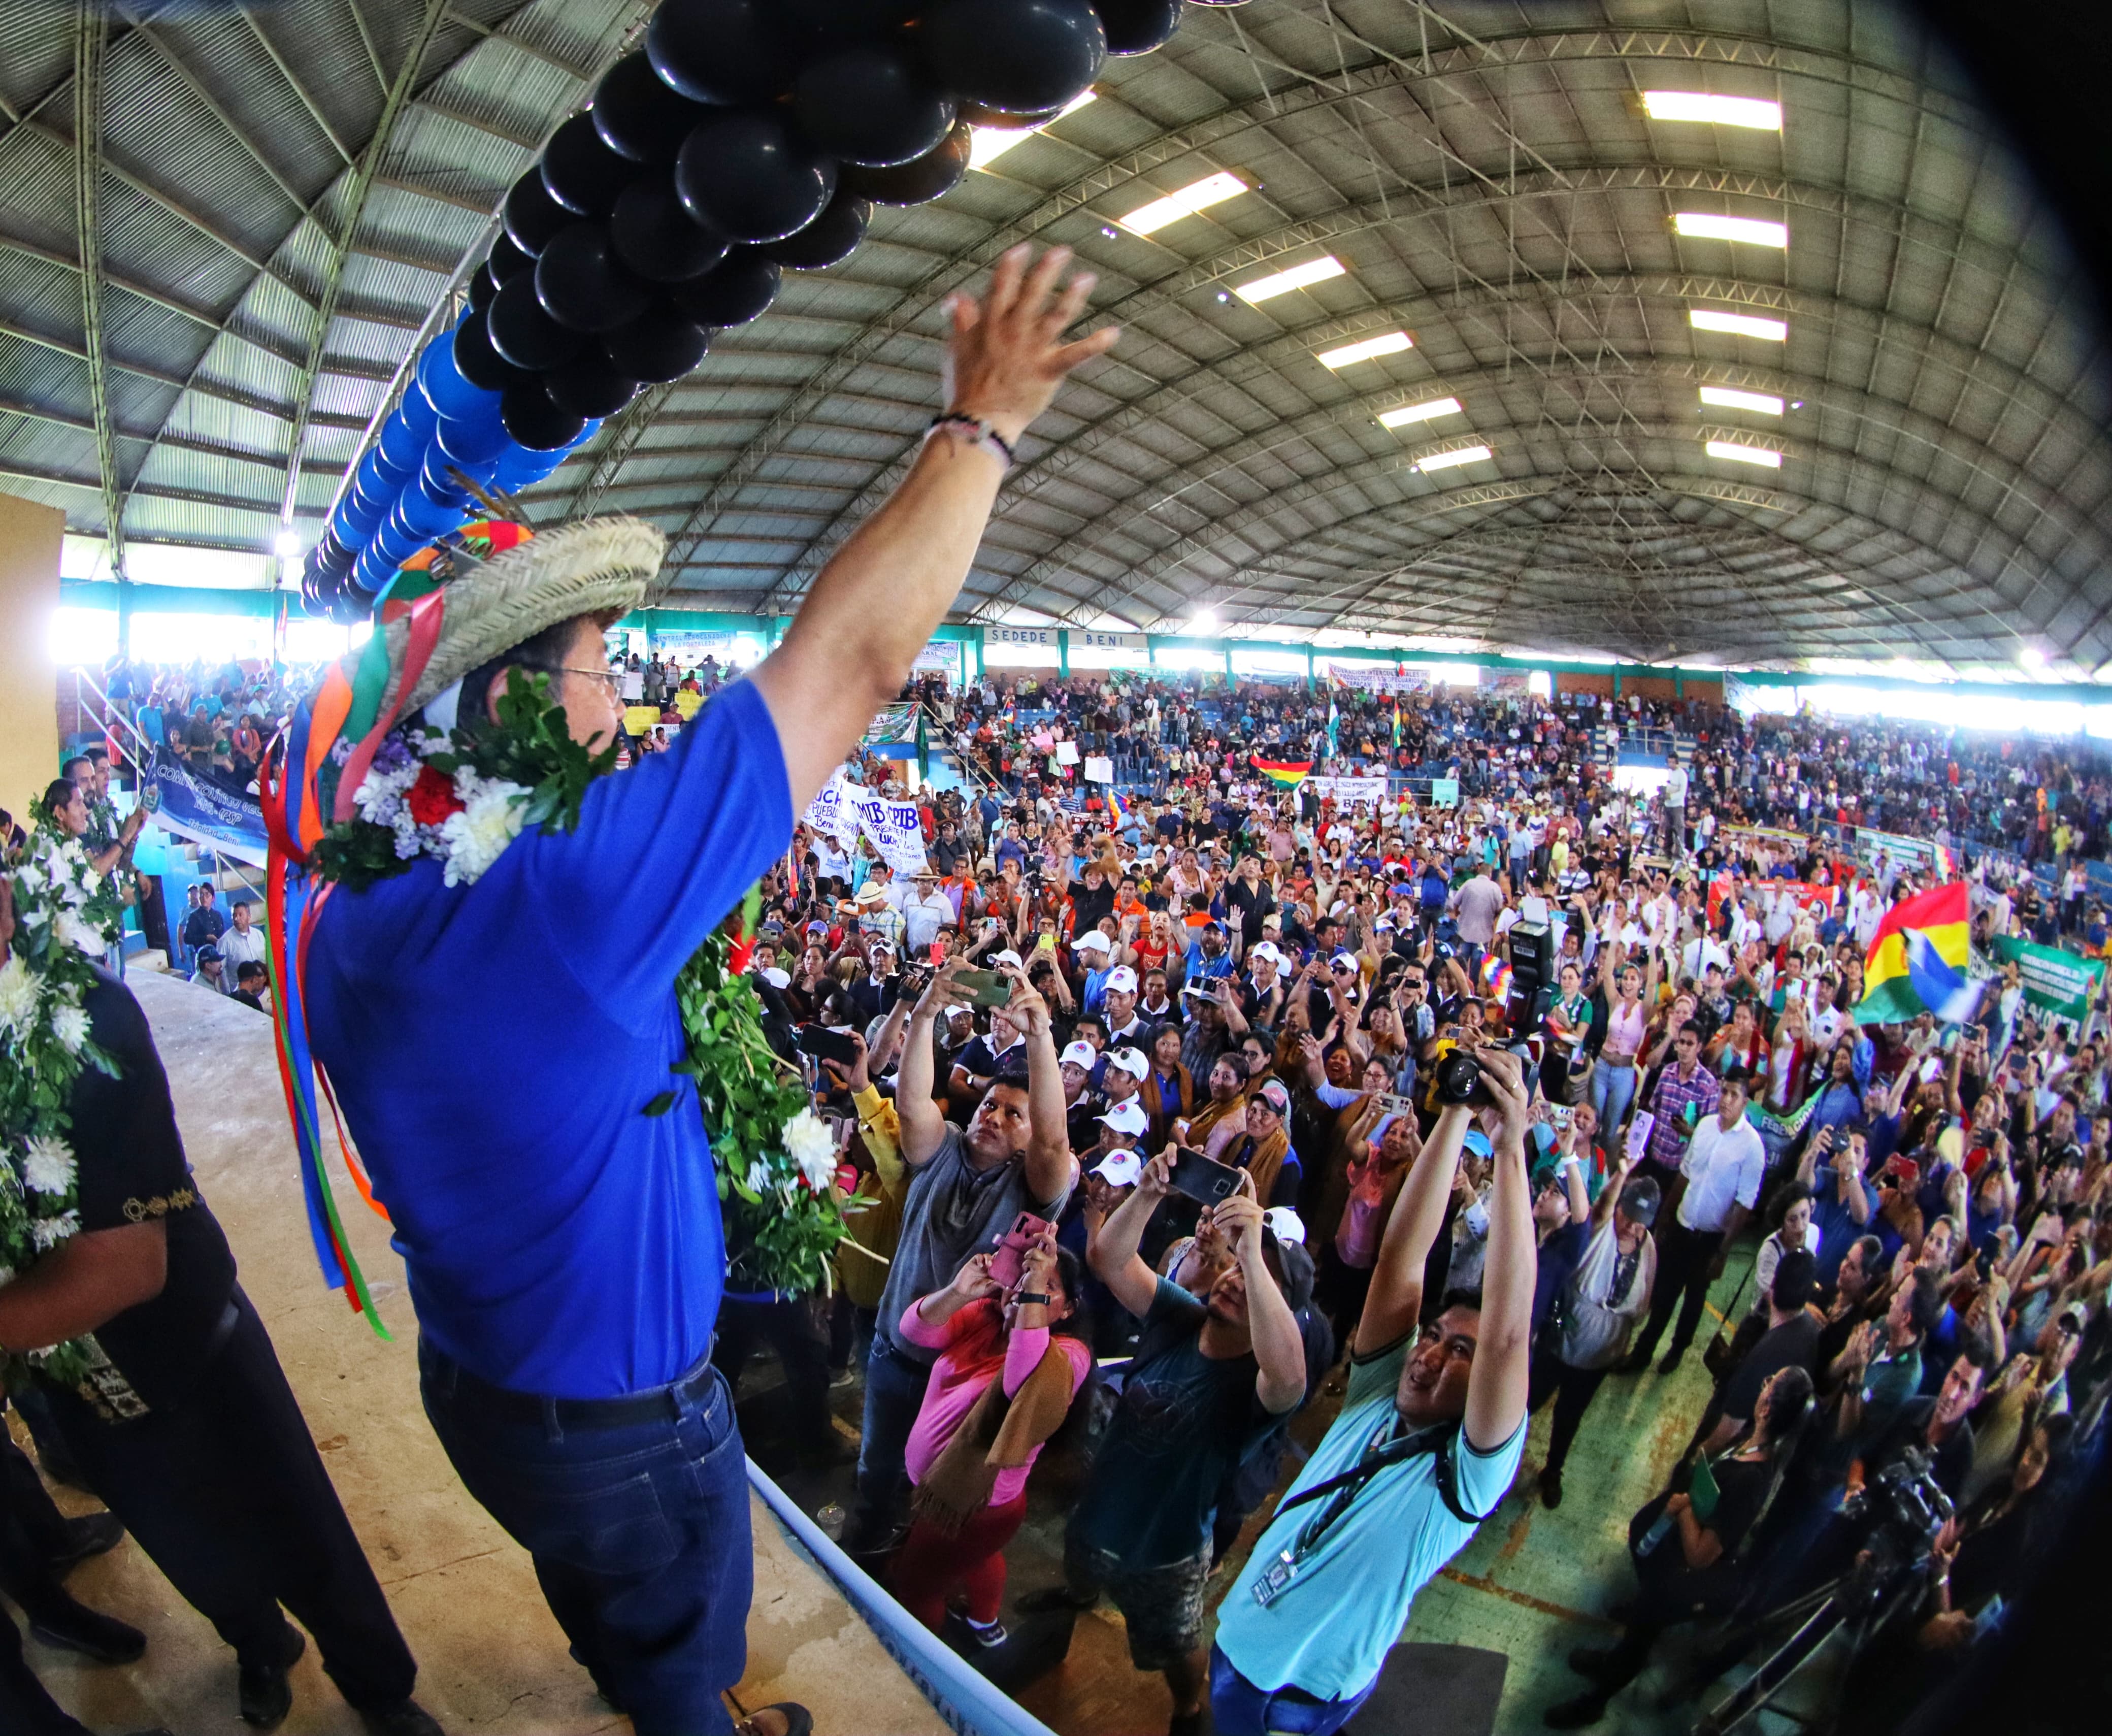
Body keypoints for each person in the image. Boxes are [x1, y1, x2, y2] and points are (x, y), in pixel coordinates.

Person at [300, 246, 1116, 1736]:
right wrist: (981, 424)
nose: (627, 706)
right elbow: (850, 662)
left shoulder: (347, 905)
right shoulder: (564, 897)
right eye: (602, 669)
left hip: (482, 1388)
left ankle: (645, 1677)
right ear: (509, 699)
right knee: (688, 1657)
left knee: (611, 1603)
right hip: (625, 1431)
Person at [0, 873, 439, 1735]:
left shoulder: (85, 1016)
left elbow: (132, 1264)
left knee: (302, 1531)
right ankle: (260, 1644)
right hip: (78, 1384)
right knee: (189, 1549)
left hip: (190, 1342)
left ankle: (379, 1687)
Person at [1209, 1048, 1536, 1736]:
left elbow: (1508, 1337)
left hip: (1310, 1688)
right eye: (1434, 1335)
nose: (1430, 1355)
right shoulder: (1376, 1395)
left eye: (1460, 1352)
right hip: (1238, 1636)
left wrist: (1510, 1152)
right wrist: (1453, 1110)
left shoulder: (1464, 1476)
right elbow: (1401, 1259)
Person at [1044, 1159, 1307, 1736]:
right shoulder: (1181, 1316)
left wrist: (1252, 1252)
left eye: (1261, 1278)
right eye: (1237, 1266)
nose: (1236, 1278)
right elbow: (1110, 1260)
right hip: (1098, 1512)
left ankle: (1188, 1708)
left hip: (1165, 1552)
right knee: (1079, 1567)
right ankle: (1077, 1595)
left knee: (1176, 1646)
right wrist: (1146, 1193)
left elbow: (1290, 1376)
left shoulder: (1259, 1385)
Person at [847, 959, 1072, 1553]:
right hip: (895, 1350)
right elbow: (912, 1100)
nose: (994, 1116)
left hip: (961, 1373)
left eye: (1013, 1114)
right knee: (876, 1467)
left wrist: (1039, 1035)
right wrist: (923, 1011)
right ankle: (864, 1545)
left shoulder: (1033, 1187)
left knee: (931, 1484)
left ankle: (908, 1561)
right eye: (988, 1105)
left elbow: (1054, 1141)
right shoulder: (941, 1147)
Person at [1544, 1366, 1815, 1727]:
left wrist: (1684, 1509)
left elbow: (1702, 1555)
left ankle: (1595, 1702)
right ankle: (1612, 1660)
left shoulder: (1751, 1480)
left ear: (1767, 1409)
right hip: (1668, 1561)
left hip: (1679, 1578)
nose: (1763, 1383)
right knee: (1639, 1626)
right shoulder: (1752, 1440)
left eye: (1769, 1382)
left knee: (1640, 1641)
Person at [884, 1231, 1092, 1643]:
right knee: (978, 1557)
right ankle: (986, 1623)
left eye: (1047, 1285)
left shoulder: (1070, 1356)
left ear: (1068, 1309)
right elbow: (914, 1329)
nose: (1025, 1287)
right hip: (946, 1493)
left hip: (977, 1506)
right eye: (1022, 1275)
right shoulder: (986, 1317)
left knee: (917, 1585)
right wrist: (958, 1291)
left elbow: (1020, 1379)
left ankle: (915, 1662)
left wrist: (1031, 1290)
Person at [1530, 1157, 1659, 1508]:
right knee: (1529, 1401)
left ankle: (1553, 1470)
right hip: (1561, 1339)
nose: (1631, 1227)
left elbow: (1643, 1302)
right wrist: (1622, 1173)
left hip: (1601, 1353)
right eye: (1627, 1216)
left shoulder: (1648, 1247)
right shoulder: (1601, 1228)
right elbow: (1600, 1208)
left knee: (1570, 1414)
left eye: (1640, 1223)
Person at [1622, 1074, 1764, 1374]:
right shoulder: (1704, 1127)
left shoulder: (1752, 1147)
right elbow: (1685, 1174)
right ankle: (1643, 1352)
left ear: (1745, 1102)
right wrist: (1665, 1217)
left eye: (1734, 1095)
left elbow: (1744, 1204)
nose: (1726, 1099)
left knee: (1694, 1298)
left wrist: (1723, 1252)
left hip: (1710, 1239)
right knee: (1664, 1292)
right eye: (1724, 1092)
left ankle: (1677, 1349)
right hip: (1682, 1226)